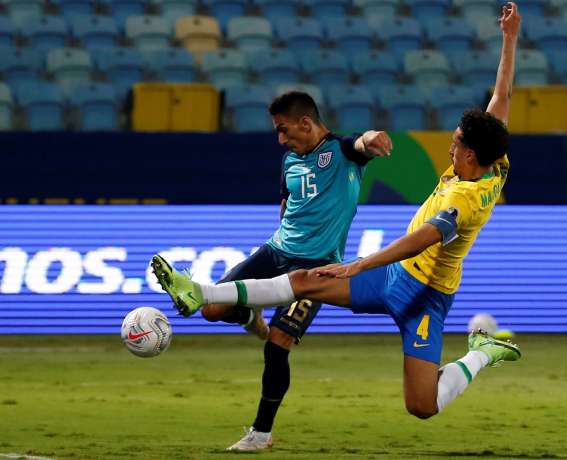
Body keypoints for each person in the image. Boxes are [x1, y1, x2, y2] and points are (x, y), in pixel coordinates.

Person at [153, 1, 521, 433]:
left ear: (471, 155)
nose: (450, 146)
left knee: (421, 406)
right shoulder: (494, 159)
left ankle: (482, 351)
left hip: (426, 295)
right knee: (309, 279)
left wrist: (360, 263)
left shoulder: (465, 199)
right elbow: (501, 97)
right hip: (396, 276)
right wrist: (510, 38)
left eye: (457, 143)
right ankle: (198, 290)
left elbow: (425, 237)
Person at [170, 91, 392, 450]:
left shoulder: (340, 153)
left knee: (278, 345)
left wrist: (372, 137)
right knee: (210, 310)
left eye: (284, 130)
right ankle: (249, 314)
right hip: (275, 251)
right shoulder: (290, 160)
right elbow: (286, 205)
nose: (281, 139)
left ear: (306, 123)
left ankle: (261, 433)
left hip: (317, 267)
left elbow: (360, 144)